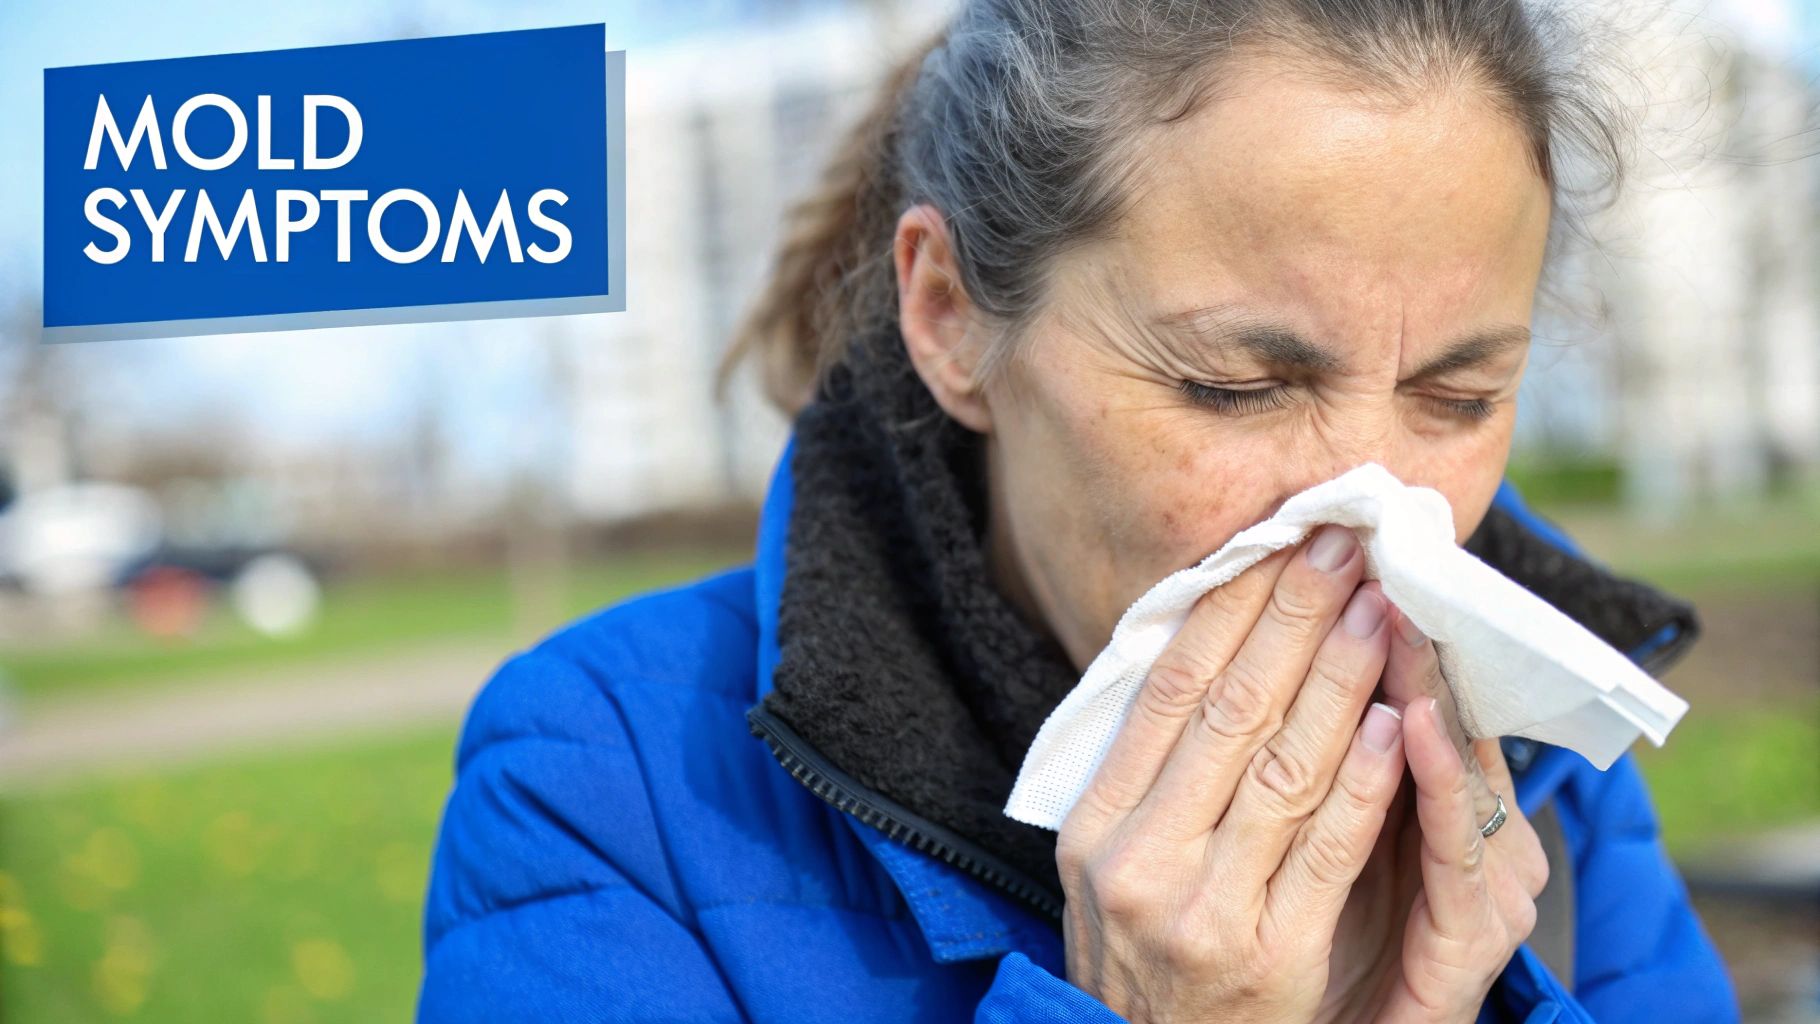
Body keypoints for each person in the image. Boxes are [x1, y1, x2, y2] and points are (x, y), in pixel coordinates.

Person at [417, 1, 1739, 1020]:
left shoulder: (1550, 775)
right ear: (950, 320)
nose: (1369, 509)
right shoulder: (607, 781)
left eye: (1459, 398)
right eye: (1238, 386)